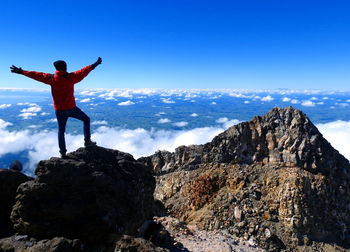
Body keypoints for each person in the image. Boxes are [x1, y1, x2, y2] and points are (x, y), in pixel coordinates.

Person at [10, 57, 102, 158]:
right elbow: (83, 71)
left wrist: (22, 72)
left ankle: (63, 153)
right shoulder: (71, 77)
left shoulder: (51, 78)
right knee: (86, 119)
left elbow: (36, 75)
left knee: (61, 131)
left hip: (59, 110)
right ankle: (87, 142)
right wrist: (95, 64)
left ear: (56, 68)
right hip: (71, 108)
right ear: (65, 67)